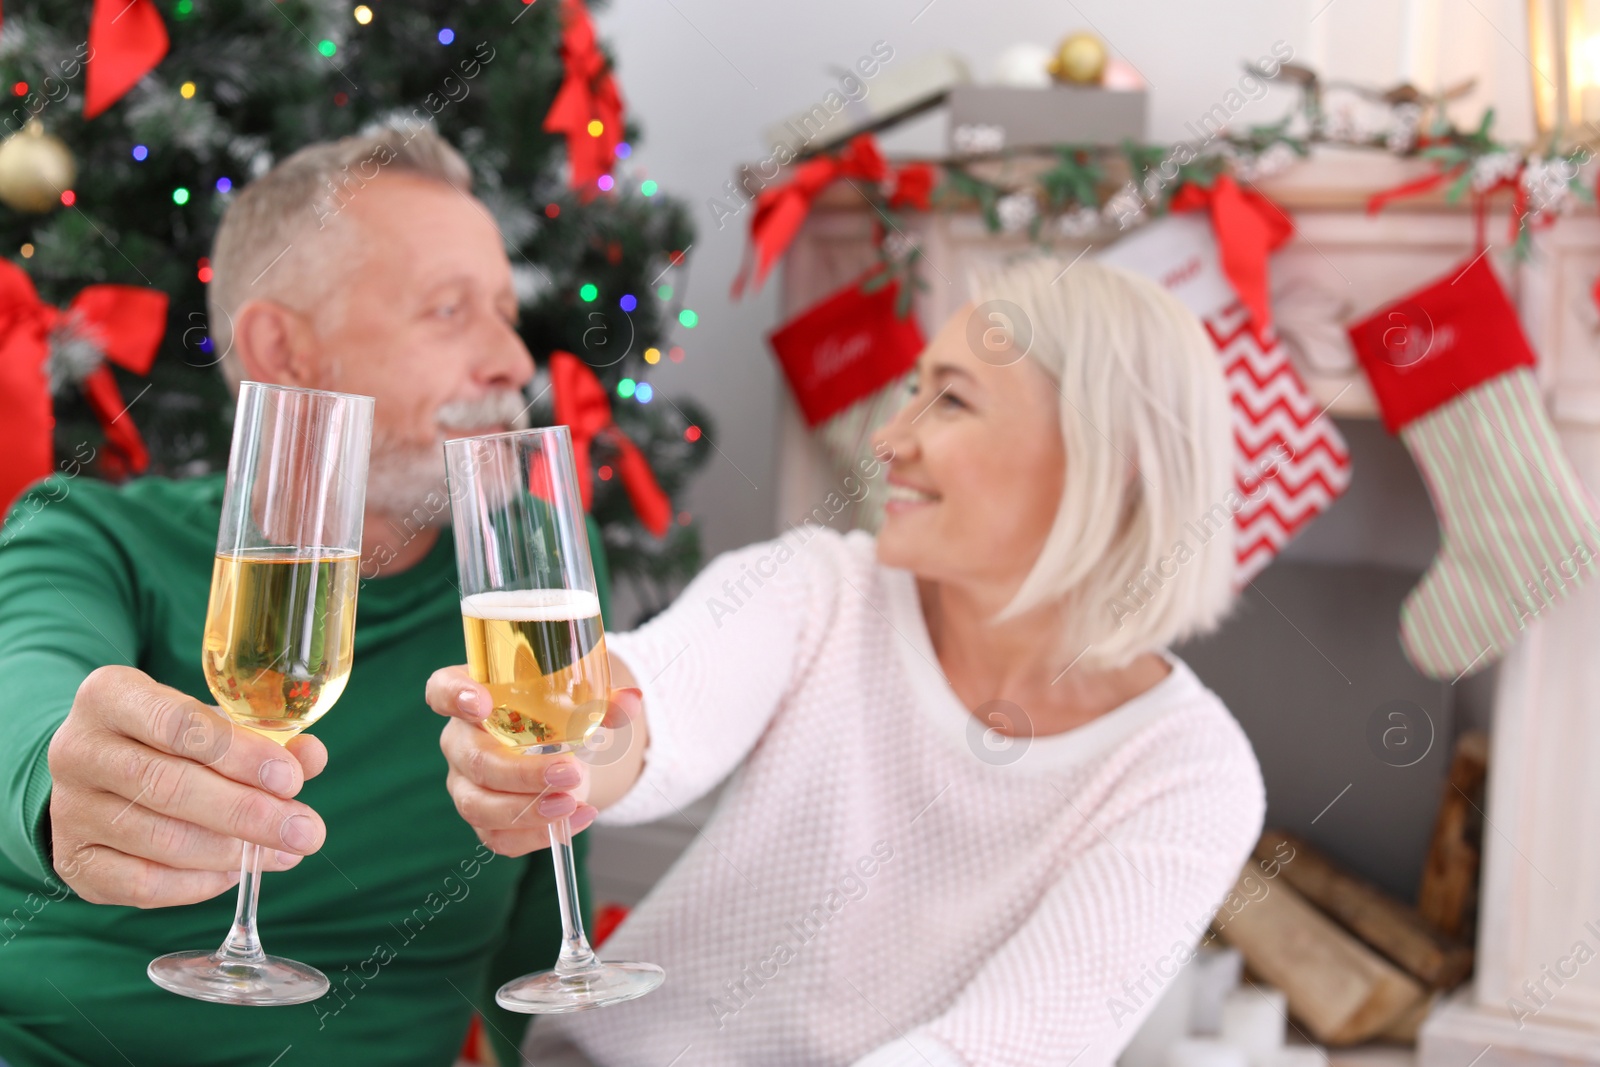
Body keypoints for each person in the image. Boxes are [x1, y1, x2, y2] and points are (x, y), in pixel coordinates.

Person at [429, 258, 1269, 1066]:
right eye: (912, 390)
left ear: (1105, 461)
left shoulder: (1189, 773)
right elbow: (658, 701)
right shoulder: (822, 590)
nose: (889, 437)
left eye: (951, 403)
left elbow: (1006, 1046)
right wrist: (567, 758)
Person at [0, 124, 609, 1067]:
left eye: (505, 310)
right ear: (282, 349)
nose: (515, 363)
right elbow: (23, 692)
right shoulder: (91, 534)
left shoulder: (534, 596)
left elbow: (543, 971)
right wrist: (61, 779)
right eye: (450, 311)